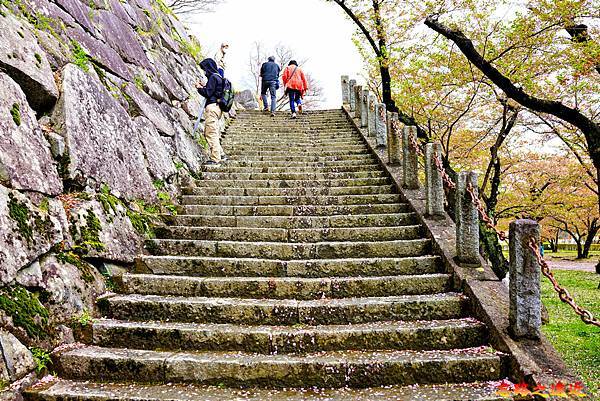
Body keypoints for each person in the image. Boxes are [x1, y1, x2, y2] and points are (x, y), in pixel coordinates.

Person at [197, 58, 227, 165]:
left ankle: (216, 159)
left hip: (212, 108)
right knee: (213, 132)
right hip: (218, 108)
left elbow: (208, 93)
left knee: (210, 133)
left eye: (204, 69)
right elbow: (214, 91)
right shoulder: (219, 77)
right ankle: (221, 155)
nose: (204, 72)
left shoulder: (213, 77)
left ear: (208, 67)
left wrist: (199, 88)